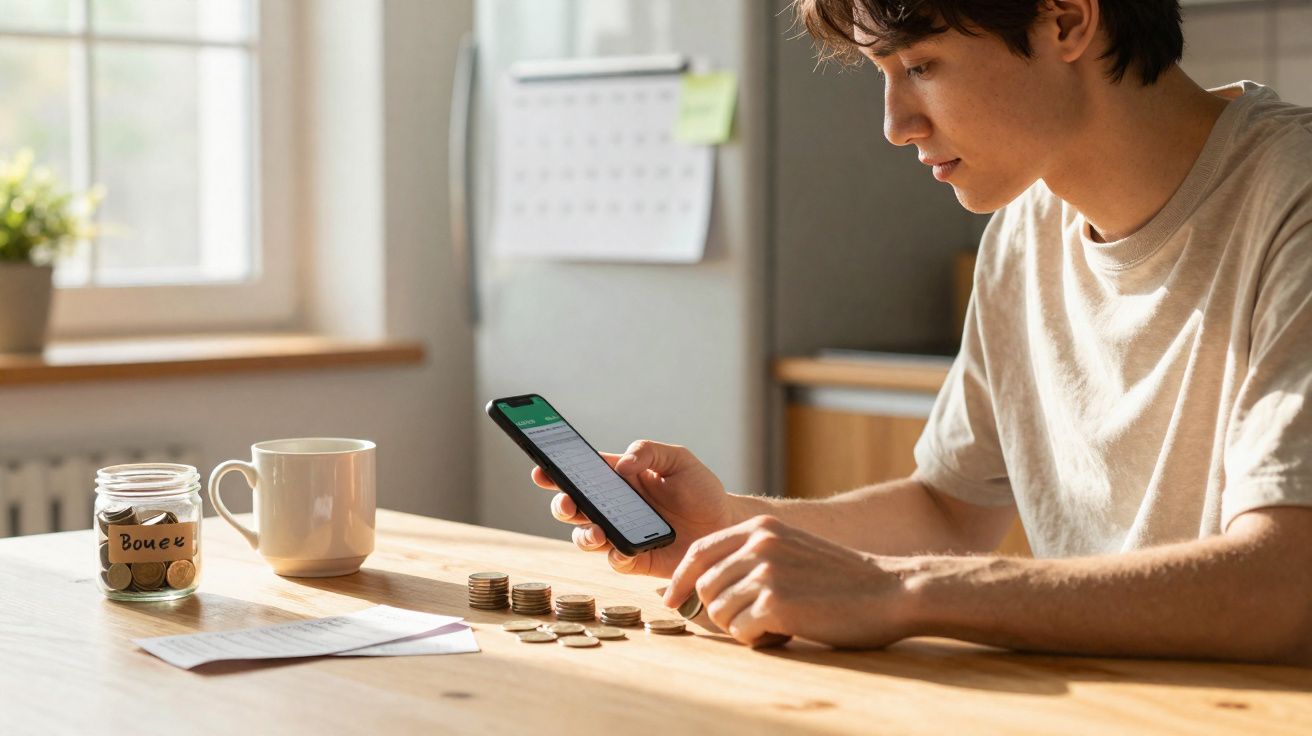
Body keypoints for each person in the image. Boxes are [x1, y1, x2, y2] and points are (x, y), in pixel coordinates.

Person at [532, 0, 1312, 665]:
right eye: (883, 73)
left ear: (1068, 19)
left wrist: (900, 593)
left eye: (923, 66)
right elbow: (947, 512)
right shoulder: (1025, 229)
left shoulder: (1294, 200)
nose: (895, 124)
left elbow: (1283, 585)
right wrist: (726, 525)